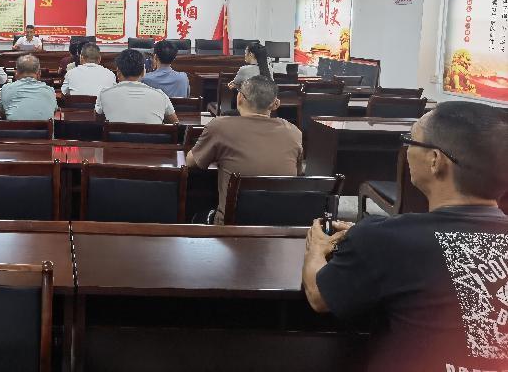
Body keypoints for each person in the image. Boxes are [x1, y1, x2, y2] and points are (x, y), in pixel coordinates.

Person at [303, 101, 508, 372]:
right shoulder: (385, 239)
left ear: (435, 161)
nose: (407, 149)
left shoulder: (383, 239)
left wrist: (317, 247)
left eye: (410, 140)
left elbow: (318, 296)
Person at [186, 75, 301, 209]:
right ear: (276, 104)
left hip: (232, 221)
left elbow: (191, 162)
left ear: (239, 97)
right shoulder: (294, 132)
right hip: (282, 219)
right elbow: (297, 174)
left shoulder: (219, 126)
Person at [96, 49, 179, 124]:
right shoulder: (161, 96)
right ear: (143, 72)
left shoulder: (104, 94)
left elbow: (98, 123)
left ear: (118, 72)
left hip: (115, 136)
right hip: (151, 136)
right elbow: (175, 125)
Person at [0, 54, 57, 121]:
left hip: (14, 127)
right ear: (39, 73)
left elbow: (3, 114)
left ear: (16, 73)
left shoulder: (6, 89)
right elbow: (53, 113)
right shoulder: (50, 90)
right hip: (44, 127)